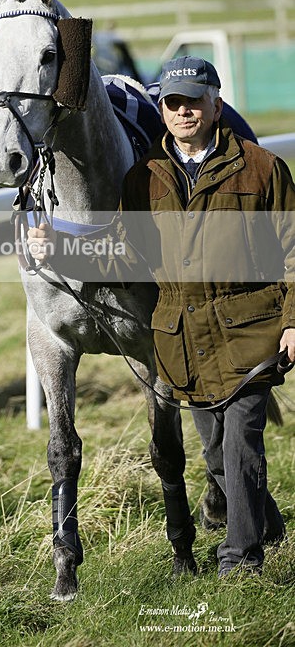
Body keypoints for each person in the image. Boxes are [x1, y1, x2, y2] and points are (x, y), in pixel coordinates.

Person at [28, 56, 291, 577]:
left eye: (194, 100)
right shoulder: (144, 179)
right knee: (215, 452)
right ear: (162, 109)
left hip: (248, 329)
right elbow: (124, 255)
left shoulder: (263, 168)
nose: (183, 111)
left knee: (239, 444)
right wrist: (57, 251)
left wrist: (291, 321)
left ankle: (240, 563)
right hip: (183, 339)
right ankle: (270, 528)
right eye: (173, 102)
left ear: (217, 105)